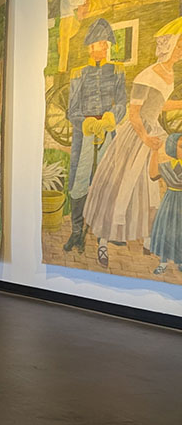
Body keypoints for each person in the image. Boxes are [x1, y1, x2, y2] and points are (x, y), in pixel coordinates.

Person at [83, 17, 182, 267]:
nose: (181, 51)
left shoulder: (169, 74)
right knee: (120, 185)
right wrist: (145, 137)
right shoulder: (147, 75)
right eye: (180, 45)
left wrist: (179, 104)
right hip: (136, 135)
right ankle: (104, 241)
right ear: (169, 46)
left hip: (153, 133)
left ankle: (147, 238)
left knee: (148, 186)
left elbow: (158, 105)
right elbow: (134, 113)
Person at [64, 19, 126, 253]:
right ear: (90, 47)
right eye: (98, 43)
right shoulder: (78, 73)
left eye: (104, 43)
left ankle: (104, 232)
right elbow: (72, 110)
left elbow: (122, 103)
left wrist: (112, 117)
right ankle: (76, 232)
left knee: (107, 180)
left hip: (108, 131)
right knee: (80, 181)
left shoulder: (117, 71)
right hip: (85, 134)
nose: (102, 47)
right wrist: (86, 123)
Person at [148, 134, 182, 275]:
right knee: (166, 230)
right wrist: (155, 151)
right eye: (181, 147)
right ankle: (163, 262)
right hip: (170, 202)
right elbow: (153, 174)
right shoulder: (167, 166)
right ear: (172, 147)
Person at [57, 0, 87, 73]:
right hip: (66, 16)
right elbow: (71, 0)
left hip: (69, 13)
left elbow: (70, 1)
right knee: (65, 44)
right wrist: (82, 1)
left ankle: (60, 40)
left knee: (77, 27)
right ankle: (62, 69)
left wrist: (79, 3)